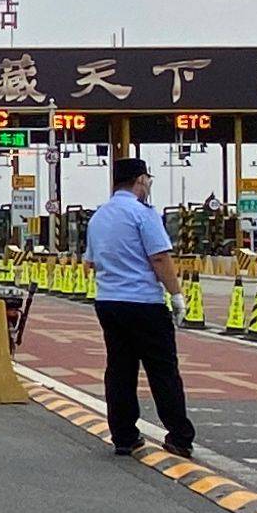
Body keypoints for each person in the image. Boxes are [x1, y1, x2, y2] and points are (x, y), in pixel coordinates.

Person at [87, 157, 195, 458]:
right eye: (148, 179)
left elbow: (91, 261)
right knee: (162, 370)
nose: (148, 185)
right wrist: (176, 295)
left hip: (108, 302)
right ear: (140, 180)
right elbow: (159, 257)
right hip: (143, 302)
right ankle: (179, 436)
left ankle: (124, 436)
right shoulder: (143, 214)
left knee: (120, 369)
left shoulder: (99, 217)